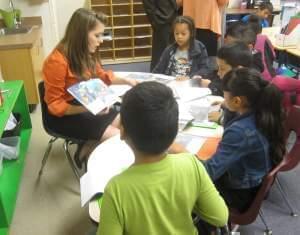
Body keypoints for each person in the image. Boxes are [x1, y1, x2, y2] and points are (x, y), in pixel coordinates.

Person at [97, 82, 228, 234]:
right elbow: (220, 217)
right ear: (174, 132)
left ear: (122, 132)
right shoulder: (192, 164)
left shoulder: (116, 189)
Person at [42, 8, 137, 164]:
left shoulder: (85, 52)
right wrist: (88, 108)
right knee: (117, 137)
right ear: (81, 35)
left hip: (82, 101)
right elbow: (54, 105)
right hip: (62, 116)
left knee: (124, 122)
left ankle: (88, 146)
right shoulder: (57, 61)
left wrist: (128, 81)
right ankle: (92, 160)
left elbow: (101, 75)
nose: (101, 40)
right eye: (97, 35)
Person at [203, 68, 285, 212]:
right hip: (253, 182)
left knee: (185, 184)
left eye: (224, 95)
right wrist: (228, 107)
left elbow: (209, 172)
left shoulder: (241, 131)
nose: (223, 98)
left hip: (240, 193)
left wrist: (184, 155)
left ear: (237, 101)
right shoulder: (261, 112)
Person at [152, 16, 210, 80]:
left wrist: (189, 77)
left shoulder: (199, 48)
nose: (179, 37)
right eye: (176, 33)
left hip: (190, 85)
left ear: (191, 33)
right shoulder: (169, 50)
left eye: (183, 34)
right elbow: (158, 70)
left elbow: (205, 69)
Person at [142, 0, 179, 70]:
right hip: (161, 21)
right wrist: (156, 22)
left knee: (175, 50)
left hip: (176, 17)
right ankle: (156, 77)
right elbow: (148, 5)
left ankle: (172, 74)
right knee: (160, 51)